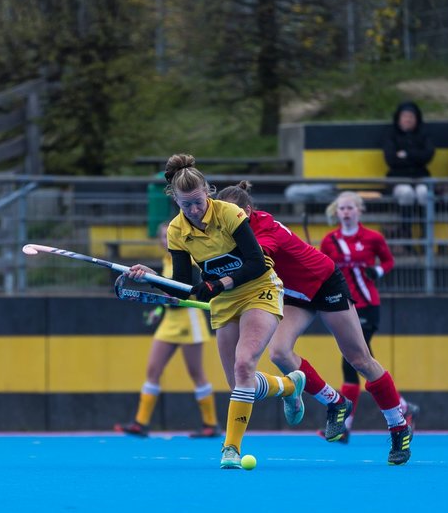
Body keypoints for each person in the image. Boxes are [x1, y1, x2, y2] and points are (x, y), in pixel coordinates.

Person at [124, 154, 304, 469]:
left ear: (208, 191)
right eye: (185, 205)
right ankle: (289, 385)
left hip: (259, 289)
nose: (194, 211)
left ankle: (230, 449)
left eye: (198, 202)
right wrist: (150, 279)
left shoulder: (230, 214)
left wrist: (220, 282)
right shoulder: (177, 231)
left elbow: (256, 262)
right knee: (239, 383)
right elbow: (182, 284)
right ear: (175, 201)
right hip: (224, 302)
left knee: (245, 363)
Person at [215, 182, 415, 465]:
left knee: (360, 359)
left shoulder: (265, 227)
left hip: (323, 283)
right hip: (294, 293)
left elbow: (256, 260)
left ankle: (398, 425)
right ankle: (335, 402)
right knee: (280, 353)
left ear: (247, 212)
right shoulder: (229, 231)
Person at [317, 190, 420, 448]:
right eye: (342, 208)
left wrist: (378, 270)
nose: (346, 212)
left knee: (353, 362)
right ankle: (403, 407)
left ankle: (344, 427)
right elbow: (322, 268)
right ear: (336, 212)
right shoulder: (330, 241)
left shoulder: (373, 238)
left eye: (351, 208)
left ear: (359, 211)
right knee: (362, 362)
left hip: (367, 306)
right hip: (342, 307)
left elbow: (388, 261)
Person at [113, 222, 219, 439]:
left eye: (167, 236)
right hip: (169, 321)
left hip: (189, 321)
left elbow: (188, 291)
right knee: (153, 369)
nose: (164, 240)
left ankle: (211, 424)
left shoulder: (188, 259)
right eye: (161, 237)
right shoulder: (165, 260)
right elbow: (168, 291)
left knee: (196, 373)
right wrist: (160, 309)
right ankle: (140, 423)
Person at [381, 100, 435, 241]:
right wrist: (416, 155)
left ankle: (426, 234)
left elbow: (428, 155)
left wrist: (406, 154)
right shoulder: (391, 134)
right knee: (406, 193)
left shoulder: (424, 133)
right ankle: (407, 234)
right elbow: (391, 159)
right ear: (398, 119)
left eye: (411, 117)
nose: (408, 120)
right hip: (398, 179)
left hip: (420, 177)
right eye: (405, 116)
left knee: (424, 193)